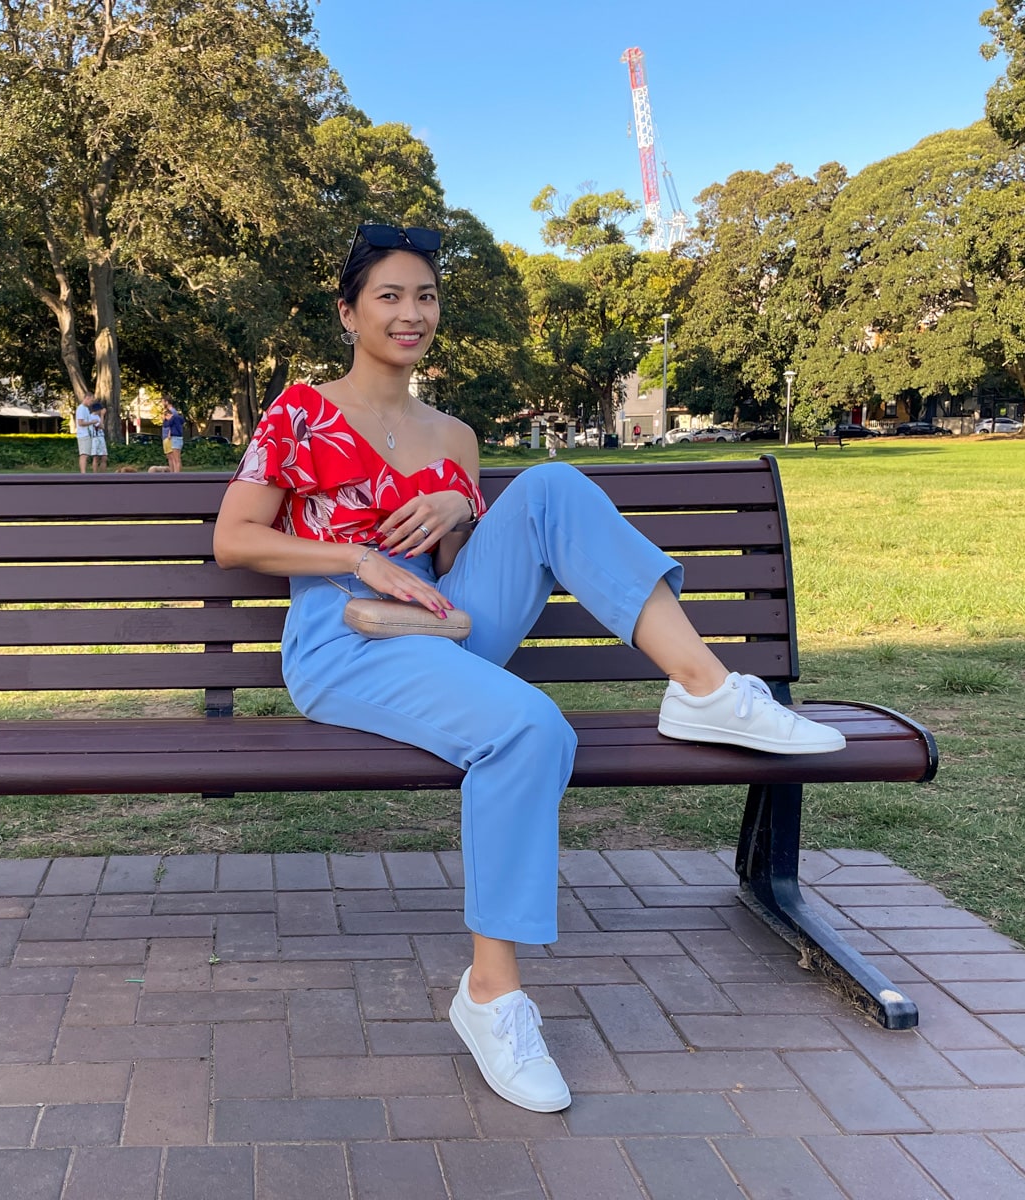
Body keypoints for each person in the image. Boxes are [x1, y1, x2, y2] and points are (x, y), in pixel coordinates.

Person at [212, 222, 846, 1115]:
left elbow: (471, 571)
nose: (409, 313)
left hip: (443, 622)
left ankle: (706, 689)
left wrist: (456, 502)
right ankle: (493, 998)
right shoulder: (300, 413)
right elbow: (234, 538)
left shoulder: (455, 436)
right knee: (528, 728)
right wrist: (356, 558)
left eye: (424, 295)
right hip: (345, 638)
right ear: (349, 311)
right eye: (388, 295)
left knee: (549, 485)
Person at [161, 397, 185, 472]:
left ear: (167, 402)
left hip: (171, 437)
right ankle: (172, 474)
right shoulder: (168, 412)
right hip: (168, 437)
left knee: (174, 458)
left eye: (163, 402)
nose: (162, 404)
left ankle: (175, 475)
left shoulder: (173, 413)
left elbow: (172, 424)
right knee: (170, 457)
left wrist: (169, 434)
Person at [74, 398, 96, 473]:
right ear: (87, 398)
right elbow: (80, 423)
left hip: (88, 434)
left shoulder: (86, 409)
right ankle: (83, 473)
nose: (92, 402)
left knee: (86, 454)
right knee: (84, 454)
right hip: (83, 435)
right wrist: (92, 422)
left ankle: (84, 472)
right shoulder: (81, 409)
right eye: (91, 400)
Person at [88, 401, 108, 472]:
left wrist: (101, 417)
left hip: (101, 437)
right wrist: (102, 415)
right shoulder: (91, 417)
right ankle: (95, 475)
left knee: (104, 457)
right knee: (96, 457)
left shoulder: (97, 417)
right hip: (95, 438)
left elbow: (102, 426)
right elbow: (100, 426)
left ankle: (103, 475)